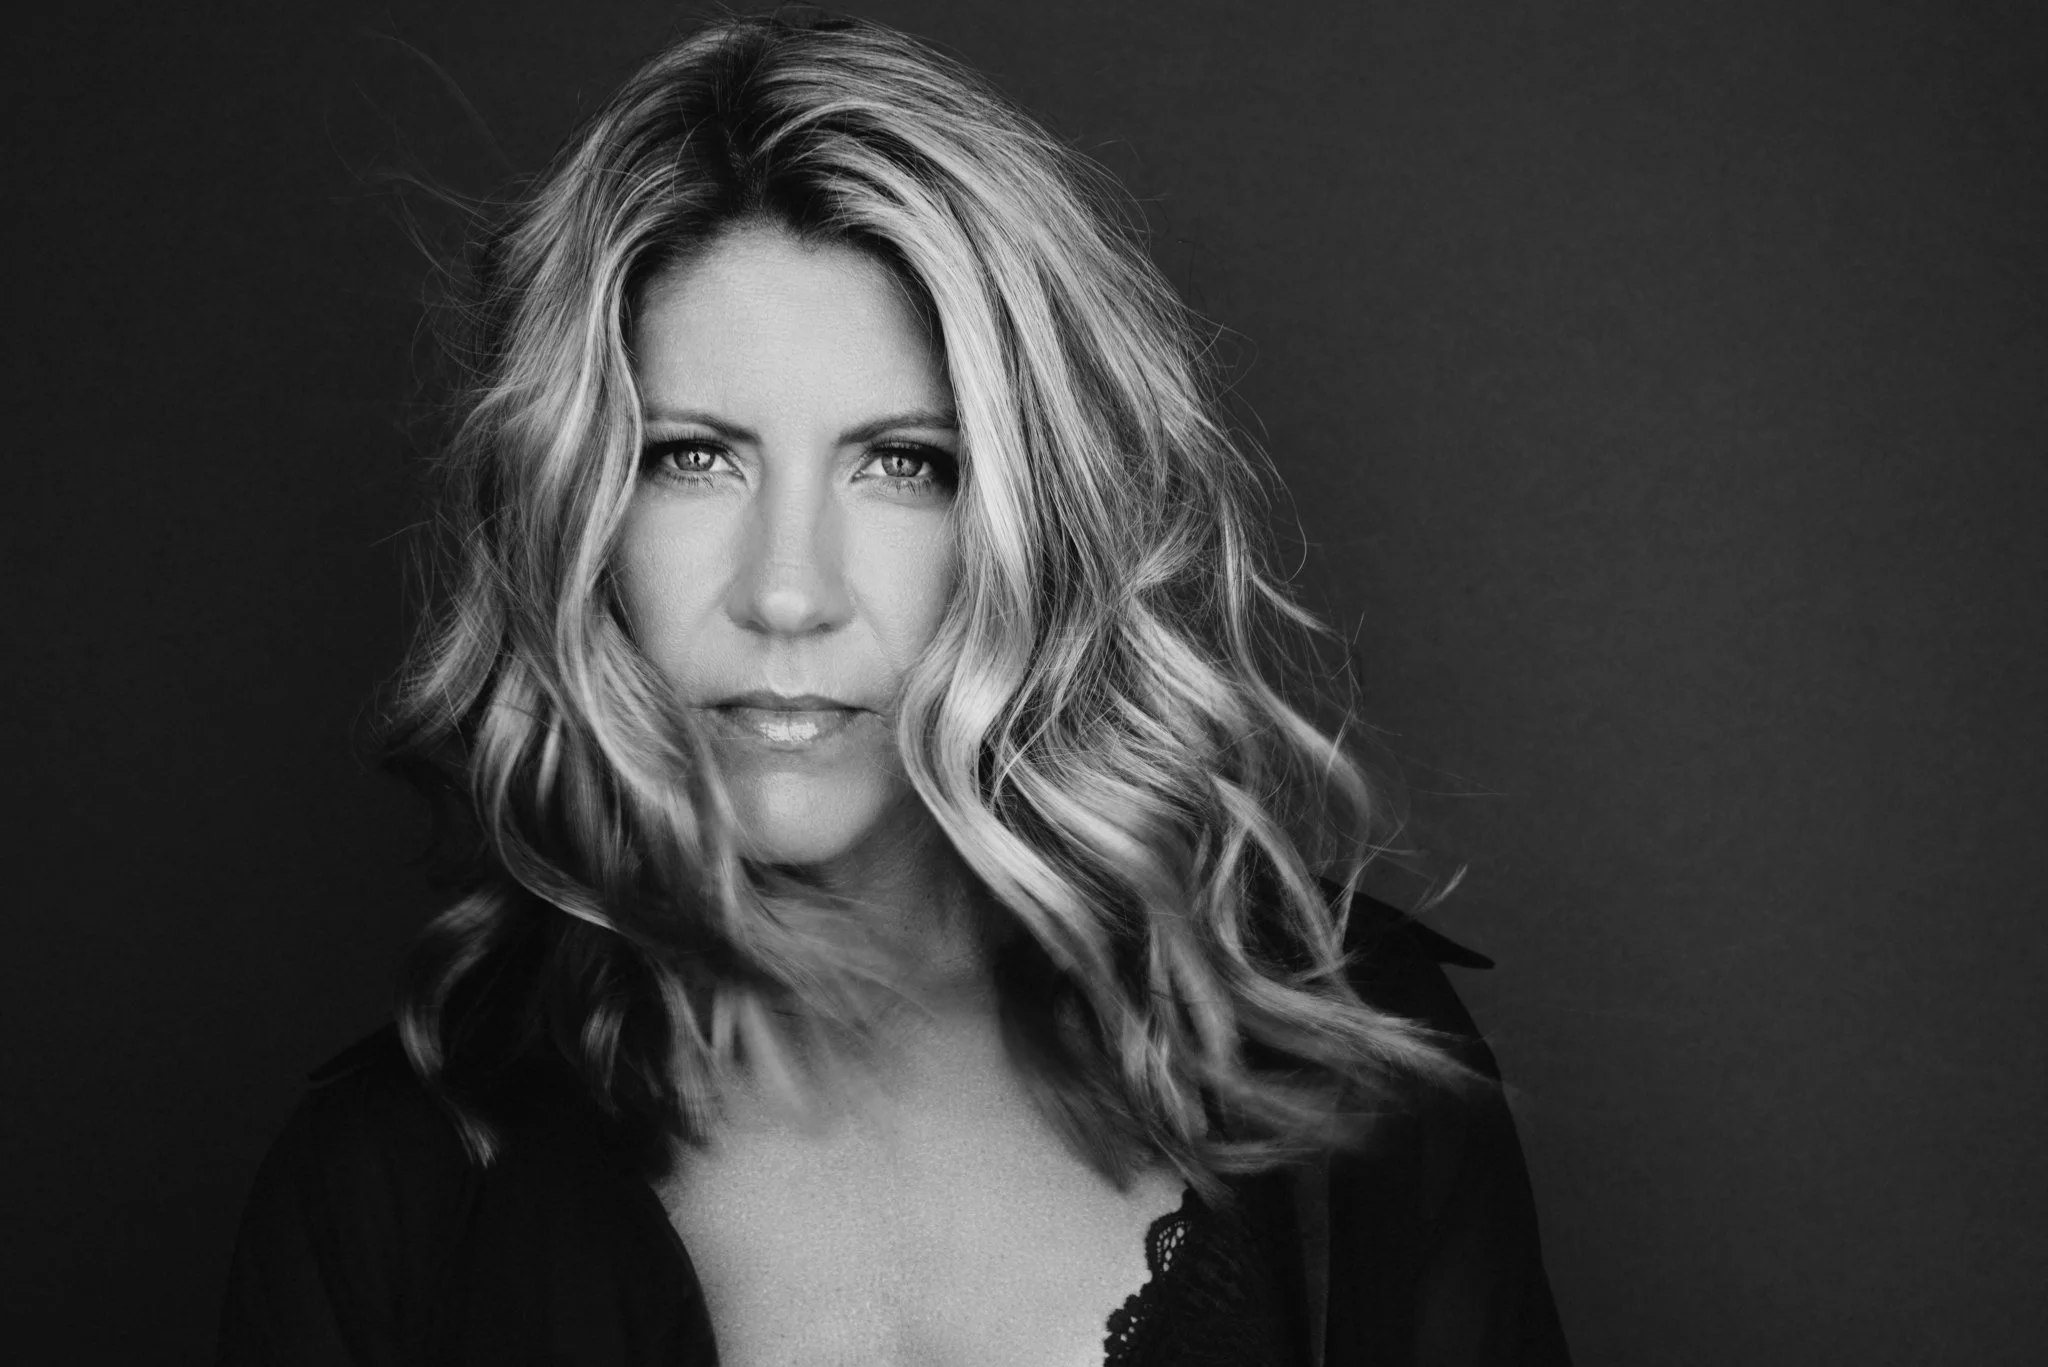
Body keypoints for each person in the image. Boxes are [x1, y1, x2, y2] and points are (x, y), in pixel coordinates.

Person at [219, 12, 1569, 1365]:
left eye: (903, 464)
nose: (789, 591)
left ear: (1039, 513)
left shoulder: (1341, 1079)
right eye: (694, 456)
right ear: (578, 508)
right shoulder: (387, 1196)